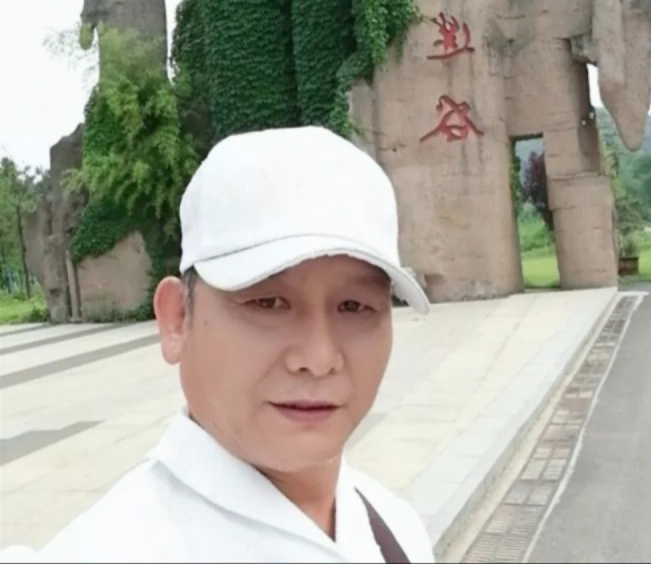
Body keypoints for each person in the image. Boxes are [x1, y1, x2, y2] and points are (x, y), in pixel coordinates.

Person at [3, 125, 435, 563]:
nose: (319, 358)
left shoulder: (397, 526)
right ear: (177, 319)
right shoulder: (108, 549)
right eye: (268, 302)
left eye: (354, 306)